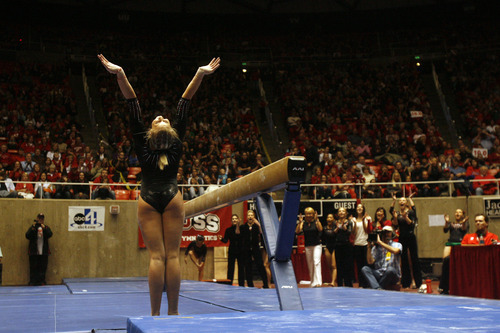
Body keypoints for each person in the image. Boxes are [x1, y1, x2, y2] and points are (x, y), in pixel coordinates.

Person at [98, 54, 220, 315]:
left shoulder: (143, 142)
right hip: (172, 195)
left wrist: (120, 73)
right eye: (160, 118)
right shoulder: (176, 141)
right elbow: (184, 102)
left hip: (148, 196)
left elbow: (133, 103)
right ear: (164, 131)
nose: (162, 117)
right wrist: (199, 73)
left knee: (157, 257)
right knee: (172, 256)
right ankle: (173, 312)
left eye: (161, 118)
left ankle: (155, 314)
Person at [390, 193, 423, 290]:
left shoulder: (410, 212)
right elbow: (395, 223)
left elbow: (412, 224)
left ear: (406, 202)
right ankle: (405, 282)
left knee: (414, 259)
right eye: (400, 200)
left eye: (403, 200)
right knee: (404, 260)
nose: (401, 202)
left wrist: (405, 217)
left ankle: (418, 282)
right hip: (402, 238)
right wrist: (394, 200)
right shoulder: (397, 213)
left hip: (411, 236)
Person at [438, 209, 468, 294]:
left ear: (463, 214)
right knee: (445, 263)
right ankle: (443, 286)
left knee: (459, 265)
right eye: (456, 212)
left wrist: (464, 222)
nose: (457, 213)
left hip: (460, 244)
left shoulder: (465, 223)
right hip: (450, 244)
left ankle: (458, 285)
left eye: (459, 212)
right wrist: (446, 222)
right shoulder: (451, 223)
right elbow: (445, 230)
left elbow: (464, 230)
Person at [295, 207, 323, 287]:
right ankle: (313, 281)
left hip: (317, 245)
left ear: (313, 214)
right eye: (307, 213)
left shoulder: (316, 222)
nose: (309, 215)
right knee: (310, 264)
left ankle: (319, 282)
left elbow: (320, 229)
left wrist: (317, 219)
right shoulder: (303, 223)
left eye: (310, 213)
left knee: (316, 261)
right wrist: (300, 222)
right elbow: (297, 231)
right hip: (308, 246)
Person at [240, 209, 269, 288]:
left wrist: (259, 224)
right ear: (246, 217)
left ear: (254, 217)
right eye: (248, 215)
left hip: (256, 248)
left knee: (260, 266)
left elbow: (262, 233)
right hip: (247, 249)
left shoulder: (257, 226)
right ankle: (250, 285)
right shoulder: (243, 227)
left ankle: (265, 284)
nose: (250, 217)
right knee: (248, 267)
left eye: (251, 215)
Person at [25, 213, 53, 286]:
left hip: (43, 251)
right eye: (39, 218)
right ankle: (32, 281)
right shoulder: (33, 227)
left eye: (42, 219)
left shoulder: (46, 227)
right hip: (34, 251)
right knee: (33, 267)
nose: (40, 220)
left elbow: (50, 234)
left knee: (43, 267)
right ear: (37, 218)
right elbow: (27, 235)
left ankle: (42, 281)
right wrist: (33, 226)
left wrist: (44, 228)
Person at [219, 214, 245, 286]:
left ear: (238, 220)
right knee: (230, 268)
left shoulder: (242, 228)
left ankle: (241, 284)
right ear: (231, 221)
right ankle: (229, 283)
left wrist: (238, 225)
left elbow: (239, 234)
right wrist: (221, 239)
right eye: (233, 219)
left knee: (241, 267)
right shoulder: (228, 230)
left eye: (235, 218)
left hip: (240, 251)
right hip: (232, 251)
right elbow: (225, 240)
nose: (234, 220)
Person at [351, 203, 371, 288]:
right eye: (358, 207)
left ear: (363, 209)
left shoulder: (367, 218)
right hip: (357, 243)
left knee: (365, 265)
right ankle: (361, 283)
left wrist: (364, 221)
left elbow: (367, 231)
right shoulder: (353, 220)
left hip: (365, 243)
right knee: (359, 265)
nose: (359, 208)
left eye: (361, 207)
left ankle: (367, 283)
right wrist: (355, 223)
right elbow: (353, 232)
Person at [335, 207, 354, 287]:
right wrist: (336, 229)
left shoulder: (349, 222)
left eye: (343, 211)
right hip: (338, 245)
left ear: (346, 213)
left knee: (347, 265)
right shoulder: (335, 222)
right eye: (340, 211)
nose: (341, 212)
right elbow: (332, 233)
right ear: (338, 213)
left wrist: (345, 229)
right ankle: (339, 284)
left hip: (347, 246)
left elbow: (350, 232)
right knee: (339, 266)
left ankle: (348, 284)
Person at [322, 213, 337, 286]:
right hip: (328, 247)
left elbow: (334, 234)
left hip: (335, 247)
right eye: (328, 217)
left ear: (333, 219)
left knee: (333, 265)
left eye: (331, 217)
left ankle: (333, 282)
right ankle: (332, 280)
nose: (329, 219)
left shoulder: (336, 227)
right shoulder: (324, 228)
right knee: (329, 266)